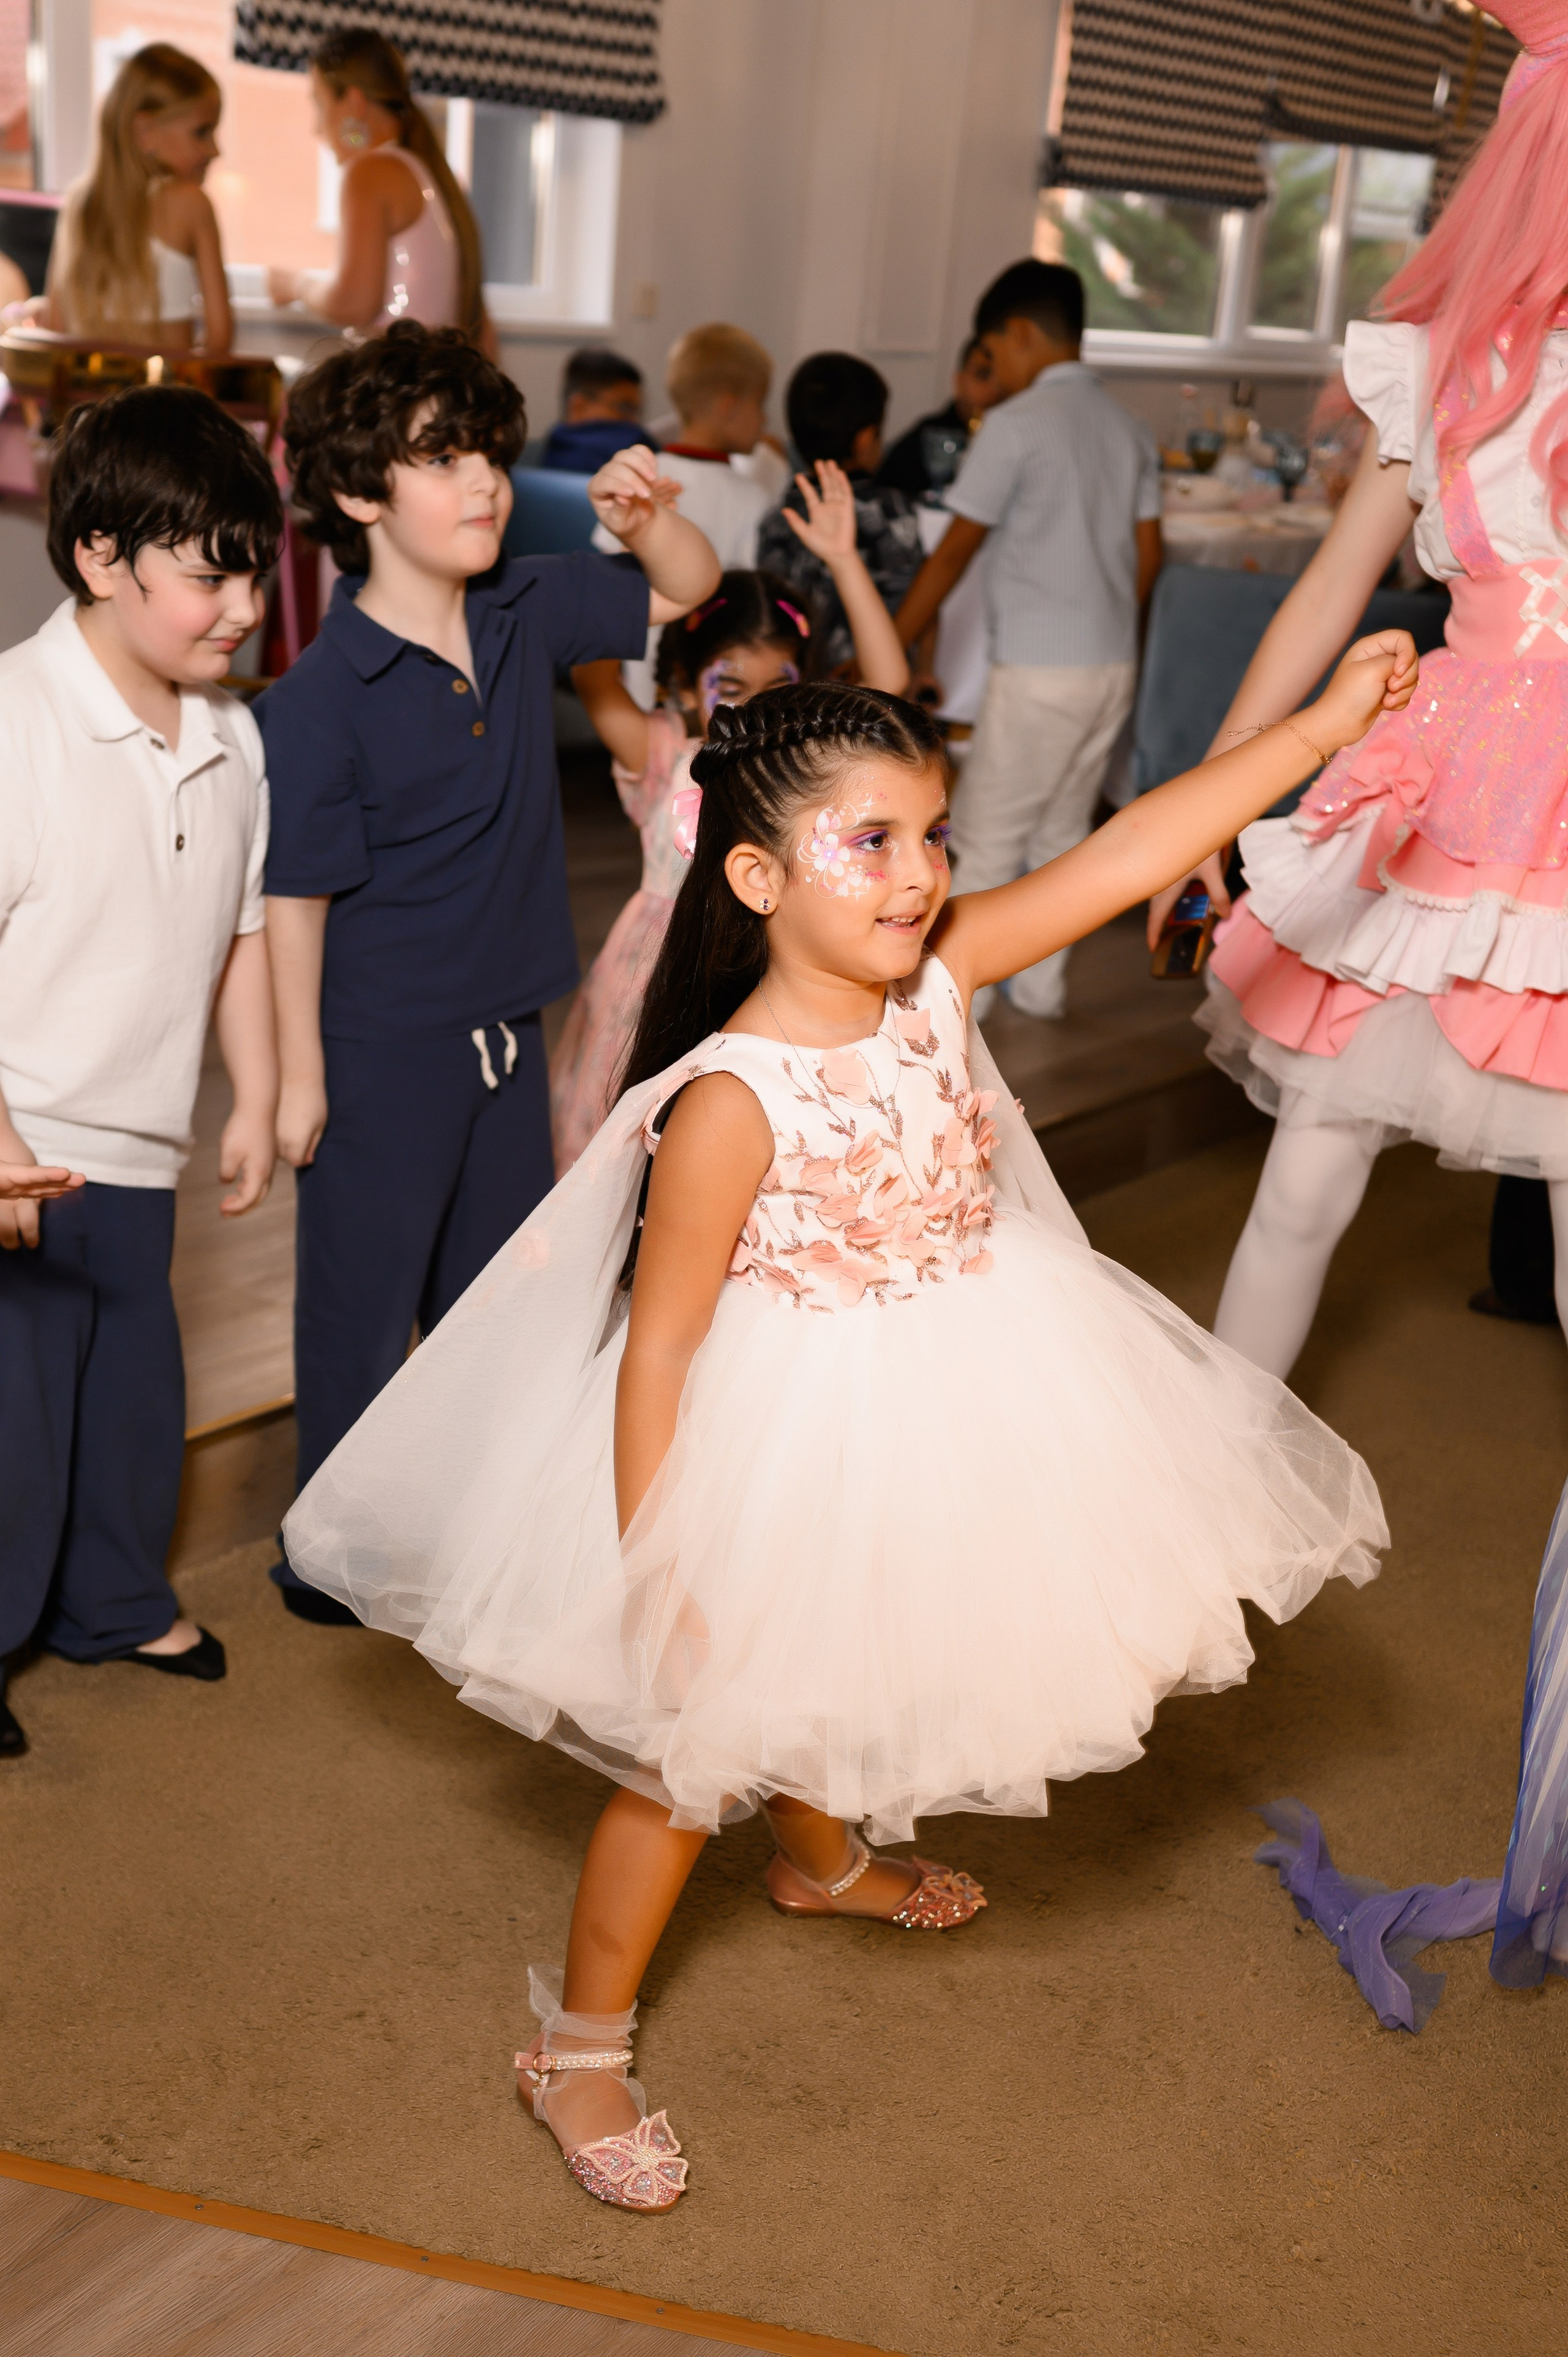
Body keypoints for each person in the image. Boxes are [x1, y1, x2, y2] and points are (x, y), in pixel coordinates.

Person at [284, 632, 1414, 2208]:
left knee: (863, 1635)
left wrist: (1315, 724)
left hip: (966, 1364)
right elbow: (659, 1350)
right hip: (777, 1422)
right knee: (690, 1751)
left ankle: (818, 1858)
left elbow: (1129, 844)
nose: (915, 872)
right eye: (867, 840)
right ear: (753, 877)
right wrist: (654, 1568)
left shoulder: (938, 978)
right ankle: (579, 2047)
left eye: (930, 833)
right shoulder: (733, 1097)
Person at [258, 323, 718, 1625]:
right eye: (439, 457)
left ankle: (471, 1512)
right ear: (358, 496)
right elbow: (294, 903)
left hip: (510, 1027)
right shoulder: (318, 698)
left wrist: (647, 517)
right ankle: (322, 1549)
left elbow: (687, 586)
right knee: (362, 1306)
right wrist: (297, 1079)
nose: (482, 482)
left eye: (487, 455)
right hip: (379, 1045)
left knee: (498, 1297)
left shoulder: (525, 601)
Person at [1160, 0, 1568, 1382]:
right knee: (1302, 1179)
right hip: (1438, 800)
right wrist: (1196, 806)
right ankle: (1210, 1528)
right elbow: (1319, 602)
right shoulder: (1446, 372)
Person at [0, 383, 284, 1759]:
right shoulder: (19, 719)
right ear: (102, 560)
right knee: (14, 1411)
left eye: (256, 570)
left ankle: (111, 1598)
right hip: (26, 1140)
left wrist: (265, 1090)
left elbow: (240, 933)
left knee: (130, 1395)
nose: (242, 607)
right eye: (210, 574)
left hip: (143, 1141)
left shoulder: (232, 736)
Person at [551, 462, 911, 1171]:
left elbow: (890, 682)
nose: (747, 709)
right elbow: (589, 658)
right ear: (683, 685)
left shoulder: (805, 764)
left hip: (764, 978)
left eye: (774, 687)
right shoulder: (659, 752)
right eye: (727, 687)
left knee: (737, 1145)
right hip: (653, 984)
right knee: (628, 1150)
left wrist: (841, 559)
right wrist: (637, 539)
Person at [895, 260, 1164, 1020]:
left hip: (1040, 669)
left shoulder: (1013, 427)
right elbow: (1148, 557)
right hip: (1112, 663)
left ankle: (955, 1008)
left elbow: (950, 553)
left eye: (993, 353)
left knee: (985, 835)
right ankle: (1041, 991)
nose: (993, 369)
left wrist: (889, 642)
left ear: (1019, 335)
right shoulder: (1129, 426)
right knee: (1060, 835)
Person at [266, 27, 488, 349]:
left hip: (397, 386)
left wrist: (294, 285)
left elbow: (354, 304)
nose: (316, 128)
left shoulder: (371, 172)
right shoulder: (422, 169)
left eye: (319, 103)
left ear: (355, 102)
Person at [600, 322, 777, 710]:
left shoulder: (637, 475)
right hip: (712, 695)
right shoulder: (751, 499)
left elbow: (604, 581)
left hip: (634, 688)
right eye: (760, 404)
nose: (764, 420)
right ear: (728, 405)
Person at [41, 44, 233, 352]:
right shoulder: (192, 203)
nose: (215, 150)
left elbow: (56, 327)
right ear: (144, 131)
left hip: (92, 398)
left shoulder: (79, 203)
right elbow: (221, 338)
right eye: (202, 132)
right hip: (167, 398)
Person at [757, 351, 924, 674]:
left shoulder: (778, 517)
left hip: (793, 688)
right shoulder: (892, 510)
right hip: (875, 681)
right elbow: (913, 601)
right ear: (865, 440)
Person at [875, 334, 1002, 500]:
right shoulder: (924, 442)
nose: (995, 388)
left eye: (1004, 377)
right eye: (983, 375)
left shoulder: (1022, 440)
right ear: (959, 381)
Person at [540, 349, 652, 474]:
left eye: (636, 411)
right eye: (624, 408)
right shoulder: (632, 439)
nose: (633, 421)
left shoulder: (553, 446)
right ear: (579, 406)